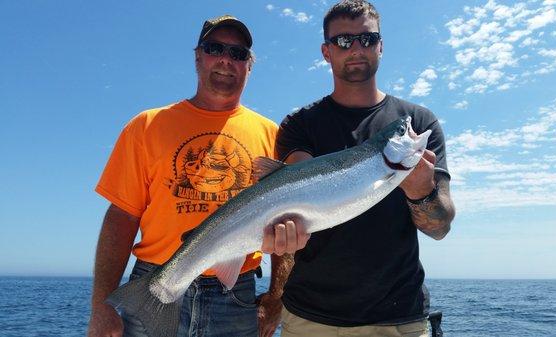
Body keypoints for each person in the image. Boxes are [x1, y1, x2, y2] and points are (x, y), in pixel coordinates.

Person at [87, 15, 310, 337]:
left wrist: (276, 295)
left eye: (238, 53)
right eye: (215, 47)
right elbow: (121, 216)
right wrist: (100, 306)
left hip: (236, 293)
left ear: (249, 66)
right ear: (197, 56)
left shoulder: (274, 136)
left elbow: (287, 221)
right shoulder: (146, 126)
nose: (225, 59)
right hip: (156, 281)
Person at [263, 1, 457, 336]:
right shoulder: (300, 124)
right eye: (343, 41)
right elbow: (299, 185)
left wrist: (420, 192)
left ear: (381, 45)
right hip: (310, 319)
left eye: (366, 39)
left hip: (398, 318)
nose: (356, 48)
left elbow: (439, 228)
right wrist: (282, 229)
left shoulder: (418, 122)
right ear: (326, 51)